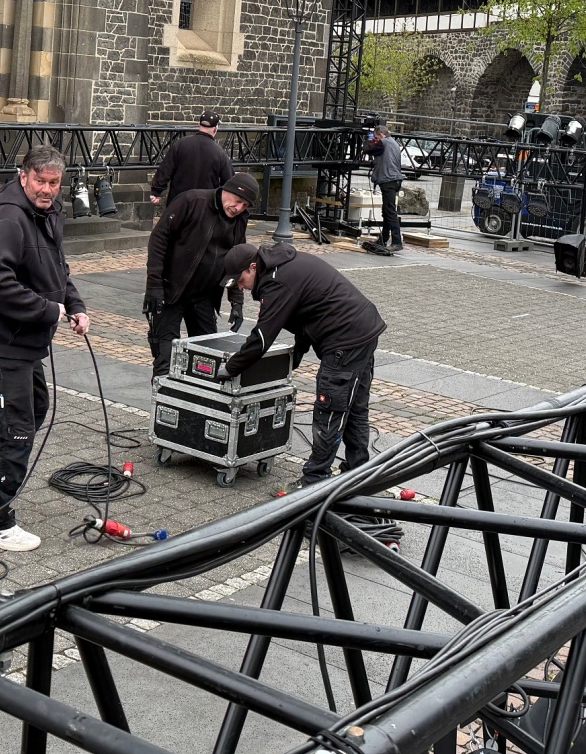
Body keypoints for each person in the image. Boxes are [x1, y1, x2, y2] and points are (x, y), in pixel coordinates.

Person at [0, 143, 88, 552]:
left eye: (54, 183)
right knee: (18, 428)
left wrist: (76, 306)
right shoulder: (9, 217)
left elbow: (56, 269)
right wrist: (47, 310)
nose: (47, 189)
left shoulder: (49, 214)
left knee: (35, 407)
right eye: (40, 181)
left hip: (24, 342)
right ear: (23, 176)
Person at [221, 242, 386, 486]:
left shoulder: (276, 282)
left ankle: (314, 480)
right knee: (355, 410)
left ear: (253, 267)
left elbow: (263, 337)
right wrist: (294, 359)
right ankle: (358, 475)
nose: (241, 287)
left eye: (241, 280)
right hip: (363, 329)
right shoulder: (285, 265)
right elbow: (306, 318)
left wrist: (230, 368)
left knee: (329, 411)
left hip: (345, 340)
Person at [145, 171, 260, 379]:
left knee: (208, 355)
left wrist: (236, 301)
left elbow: (237, 260)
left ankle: (198, 407)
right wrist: (154, 286)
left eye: (245, 205)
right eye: (238, 201)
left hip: (204, 295)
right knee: (165, 358)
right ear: (228, 191)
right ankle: (162, 406)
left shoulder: (240, 219)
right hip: (172, 291)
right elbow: (158, 240)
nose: (239, 208)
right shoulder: (192, 201)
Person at [150, 112, 233, 207]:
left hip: (178, 203)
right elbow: (228, 181)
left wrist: (156, 192)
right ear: (215, 129)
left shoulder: (180, 144)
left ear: (198, 125)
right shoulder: (220, 153)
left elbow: (165, 169)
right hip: (204, 207)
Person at [365, 120, 405, 255]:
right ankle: (384, 238)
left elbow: (368, 149)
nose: (375, 140)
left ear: (381, 135)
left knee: (390, 212)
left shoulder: (384, 142)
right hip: (394, 180)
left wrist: (369, 139)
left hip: (388, 180)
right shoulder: (393, 143)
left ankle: (397, 242)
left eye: (376, 137)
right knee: (387, 211)